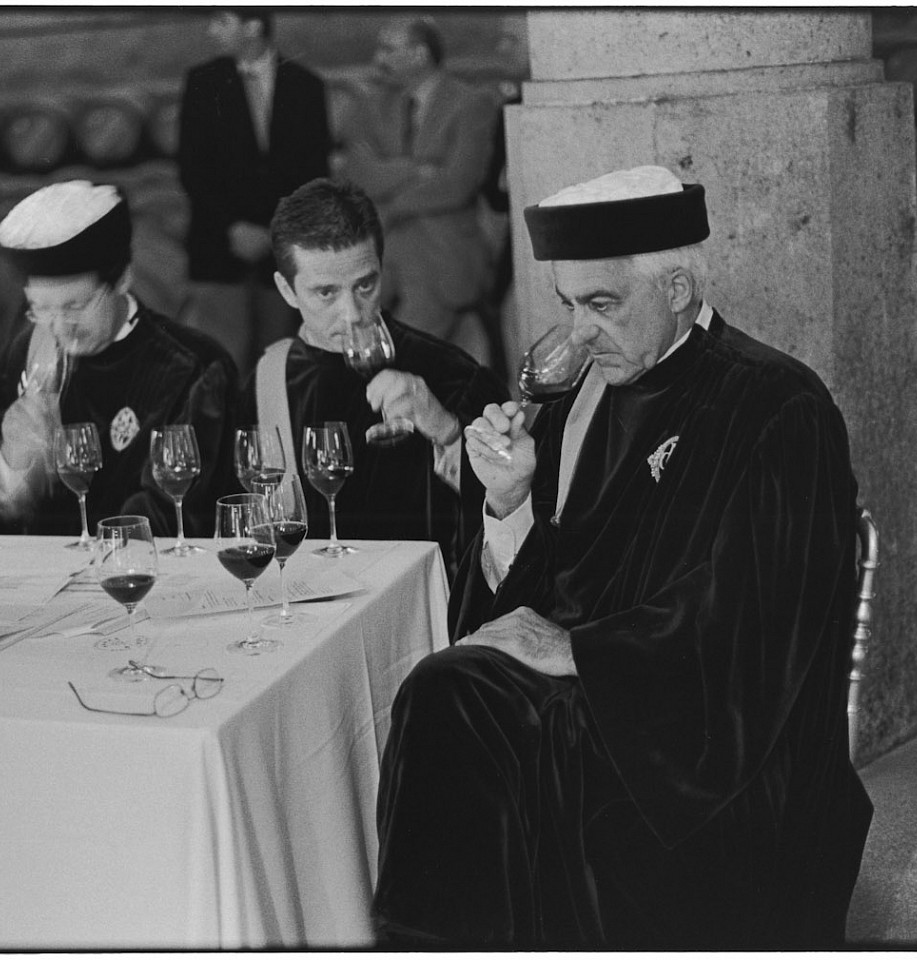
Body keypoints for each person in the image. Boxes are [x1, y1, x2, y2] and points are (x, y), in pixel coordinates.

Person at [371, 167, 872, 948]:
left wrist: (580, 648)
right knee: (446, 693)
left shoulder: (776, 405)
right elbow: (558, 586)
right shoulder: (585, 398)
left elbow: (762, 614)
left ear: (675, 288)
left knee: (456, 702)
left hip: (710, 747)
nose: (577, 334)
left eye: (599, 305)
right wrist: (507, 504)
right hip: (602, 707)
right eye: (568, 306)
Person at [240, 178, 508, 571]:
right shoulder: (267, 381)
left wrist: (447, 431)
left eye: (365, 285)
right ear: (286, 290)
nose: (352, 313)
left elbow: (518, 515)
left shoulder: (453, 375)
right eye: (326, 293)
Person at [0, 180, 238, 537]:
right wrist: (14, 467)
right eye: (40, 308)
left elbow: (174, 514)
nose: (59, 328)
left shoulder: (191, 367)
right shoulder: (26, 350)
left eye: (75, 306)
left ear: (122, 280)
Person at [177, 8, 330, 376]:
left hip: (280, 253)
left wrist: (272, 232)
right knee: (220, 366)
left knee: (278, 364)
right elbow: (192, 169)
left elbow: (313, 171)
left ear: (253, 27)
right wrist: (233, 228)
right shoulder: (202, 82)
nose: (211, 30)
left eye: (221, 21)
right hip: (219, 249)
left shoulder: (306, 85)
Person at [341, 16, 498, 360]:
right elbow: (359, 171)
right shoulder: (378, 104)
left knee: (409, 360)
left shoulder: (471, 102)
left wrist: (392, 206)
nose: (379, 59)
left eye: (389, 49)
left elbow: (458, 182)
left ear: (420, 53)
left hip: (441, 256)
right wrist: (416, 170)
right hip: (386, 256)